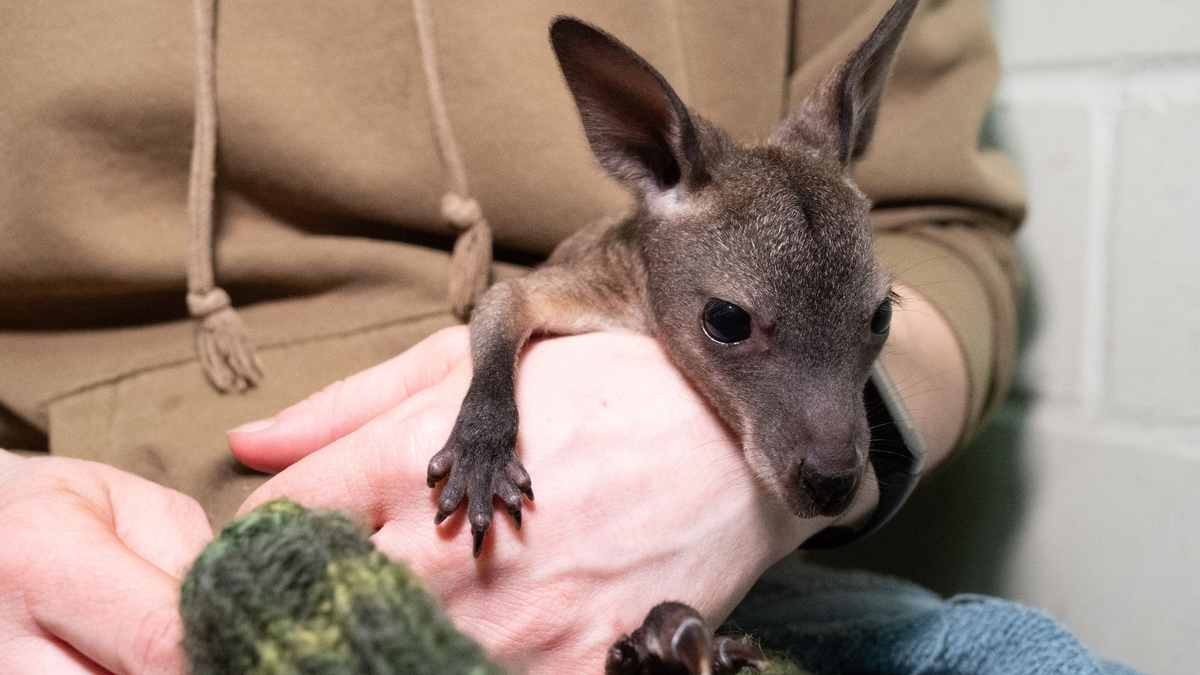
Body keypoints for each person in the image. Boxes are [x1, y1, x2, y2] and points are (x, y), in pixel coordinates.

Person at [0, 0, 1023, 673]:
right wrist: (488, 423)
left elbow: (945, 233)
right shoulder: (627, 259)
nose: (840, 452)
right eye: (731, 326)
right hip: (127, 543)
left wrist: (723, 481)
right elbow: (511, 308)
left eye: (874, 321)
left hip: (704, 574)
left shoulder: (794, 240)